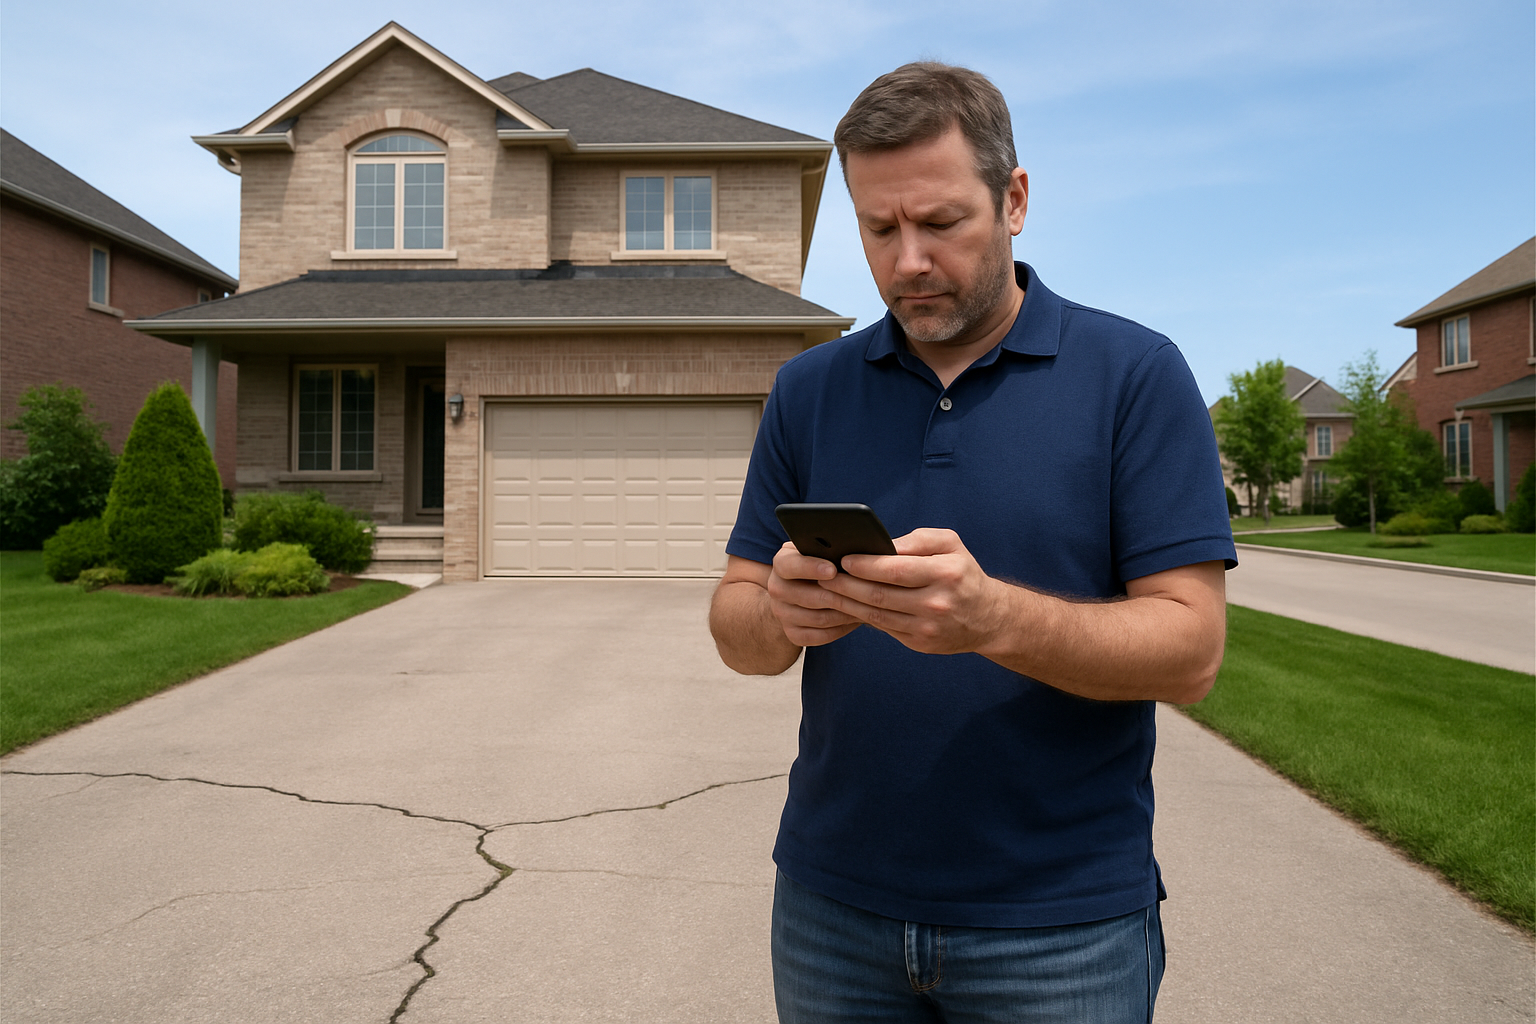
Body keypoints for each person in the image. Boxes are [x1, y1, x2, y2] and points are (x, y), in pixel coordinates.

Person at [709, 62, 1236, 1023]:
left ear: (1015, 199)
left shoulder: (1134, 375)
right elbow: (737, 631)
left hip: (1061, 926)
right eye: (879, 229)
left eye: (941, 223)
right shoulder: (808, 391)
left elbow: (1192, 651)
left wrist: (994, 618)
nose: (907, 258)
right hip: (832, 910)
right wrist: (779, 613)